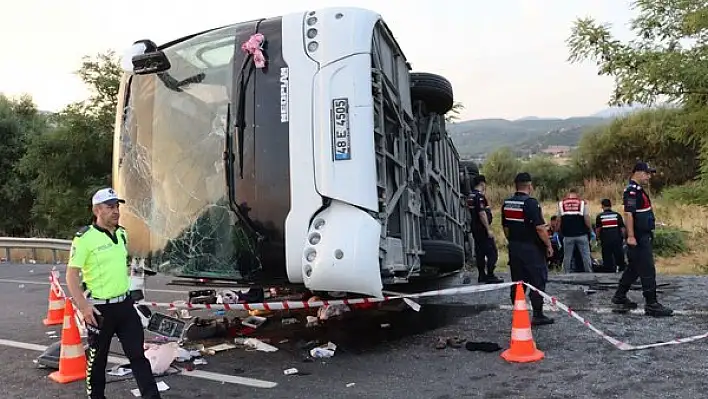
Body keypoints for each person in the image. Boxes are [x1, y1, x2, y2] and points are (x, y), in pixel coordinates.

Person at [65, 188, 161, 399]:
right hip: (99, 309)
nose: (116, 211)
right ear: (97, 210)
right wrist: (83, 306)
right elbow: (71, 275)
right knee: (97, 361)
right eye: (110, 207)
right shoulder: (85, 238)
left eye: (117, 206)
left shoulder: (122, 233)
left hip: (124, 306)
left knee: (138, 355)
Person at [612, 162, 673, 317]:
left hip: (641, 234)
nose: (649, 176)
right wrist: (631, 236)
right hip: (638, 237)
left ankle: (619, 296)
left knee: (633, 269)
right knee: (647, 269)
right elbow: (629, 214)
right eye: (646, 173)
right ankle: (652, 304)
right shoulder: (632, 191)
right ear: (638, 172)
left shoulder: (638, 191)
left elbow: (640, 213)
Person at [501, 172, 554, 325]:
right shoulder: (531, 203)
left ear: (515, 186)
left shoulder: (507, 203)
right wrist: (548, 245)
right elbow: (540, 228)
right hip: (531, 249)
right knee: (538, 280)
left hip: (515, 247)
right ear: (529, 186)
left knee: (518, 282)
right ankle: (537, 314)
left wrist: (512, 241)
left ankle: (519, 313)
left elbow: (505, 228)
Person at [468, 175, 503, 284]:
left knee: (480, 252)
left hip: (474, 228)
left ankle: (481, 275)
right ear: (482, 183)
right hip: (482, 229)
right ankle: (490, 275)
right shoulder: (479, 197)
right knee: (492, 252)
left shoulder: (470, 196)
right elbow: (482, 213)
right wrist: (488, 229)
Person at [557, 188, 593, 273]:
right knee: (586, 256)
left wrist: (557, 231)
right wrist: (590, 230)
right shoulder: (582, 203)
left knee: (567, 257)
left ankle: (566, 275)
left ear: (568, 194)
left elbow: (558, 220)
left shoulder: (561, 204)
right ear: (577, 194)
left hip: (568, 235)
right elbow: (586, 219)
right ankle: (589, 274)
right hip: (582, 234)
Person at [595, 198, 627, 273]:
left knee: (607, 257)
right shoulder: (617, 215)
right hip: (617, 240)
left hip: (606, 241)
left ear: (602, 206)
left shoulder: (600, 216)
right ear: (610, 205)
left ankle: (609, 270)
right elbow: (622, 229)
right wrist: (624, 238)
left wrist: (597, 238)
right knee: (619, 255)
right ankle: (621, 269)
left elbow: (598, 230)